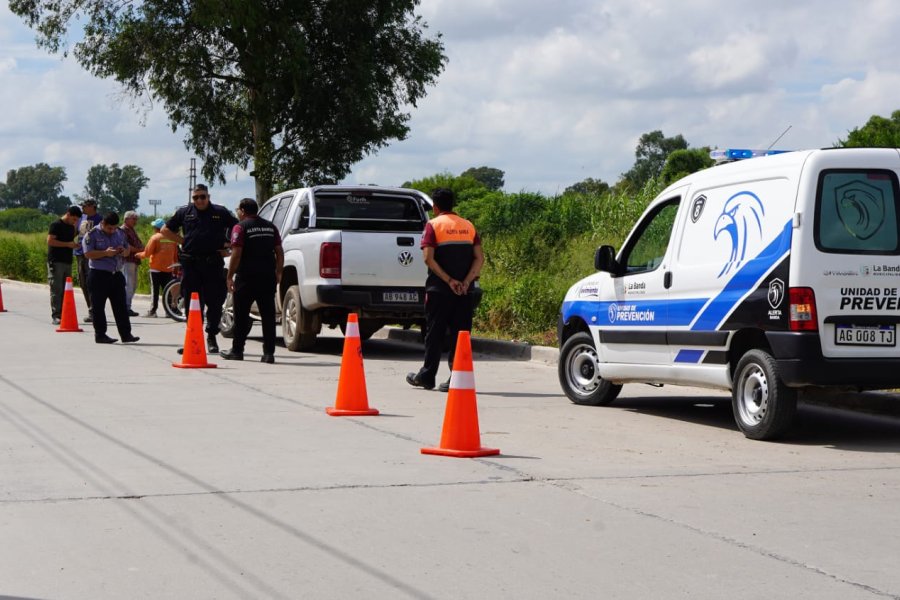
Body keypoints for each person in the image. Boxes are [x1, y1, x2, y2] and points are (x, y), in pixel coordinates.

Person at [406, 188, 484, 392]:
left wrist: (449, 280)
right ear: (453, 204)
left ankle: (427, 375)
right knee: (461, 334)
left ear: (435, 207)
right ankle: (455, 377)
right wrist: (466, 282)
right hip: (464, 291)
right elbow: (479, 258)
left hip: (439, 290)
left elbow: (428, 258)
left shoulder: (433, 225)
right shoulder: (468, 226)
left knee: (434, 333)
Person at [161, 184, 238, 354]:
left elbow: (237, 229)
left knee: (215, 301)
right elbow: (165, 230)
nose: (199, 200)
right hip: (191, 263)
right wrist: (183, 242)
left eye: (202, 196)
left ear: (208, 196)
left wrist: (230, 246)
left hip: (213, 262)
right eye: (195, 197)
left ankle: (211, 337)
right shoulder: (185, 212)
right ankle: (193, 339)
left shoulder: (220, 211)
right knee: (191, 303)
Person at [220, 198, 284, 363]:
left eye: (237, 210)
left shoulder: (240, 227)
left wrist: (229, 276)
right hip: (267, 277)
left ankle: (237, 350)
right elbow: (279, 251)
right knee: (268, 317)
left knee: (241, 316)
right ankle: (269, 354)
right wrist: (278, 272)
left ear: (242, 210)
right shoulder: (271, 227)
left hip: (246, 278)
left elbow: (236, 253)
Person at [82, 212, 140, 344]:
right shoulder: (91, 234)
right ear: (102, 223)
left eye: (114, 228)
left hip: (116, 274)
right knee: (98, 307)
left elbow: (127, 249)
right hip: (99, 274)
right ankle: (101, 335)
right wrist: (105, 253)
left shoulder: (119, 233)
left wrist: (123, 251)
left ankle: (126, 334)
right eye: (109, 228)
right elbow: (88, 254)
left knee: (121, 306)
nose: (112, 231)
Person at [47, 205, 83, 325]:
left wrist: (74, 244)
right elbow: (50, 241)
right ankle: (56, 315)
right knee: (56, 289)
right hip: (56, 261)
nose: (75, 222)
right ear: (68, 214)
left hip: (67, 261)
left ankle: (64, 313)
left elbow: (69, 241)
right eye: (74, 219)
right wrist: (67, 244)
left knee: (66, 290)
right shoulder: (56, 225)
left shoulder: (71, 227)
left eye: (77, 220)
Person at [136, 218, 178, 317]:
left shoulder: (155, 238)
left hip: (155, 268)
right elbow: (175, 255)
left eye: (154, 227)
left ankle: (152, 311)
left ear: (156, 228)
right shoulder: (172, 238)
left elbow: (147, 253)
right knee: (167, 291)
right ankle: (169, 311)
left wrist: (139, 255)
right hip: (168, 267)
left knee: (154, 291)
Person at [74, 199, 102, 323]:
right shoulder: (81, 218)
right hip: (80, 254)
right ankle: (91, 309)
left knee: (92, 284)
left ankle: (94, 311)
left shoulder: (100, 220)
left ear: (92, 207)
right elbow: (75, 232)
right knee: (83, 283)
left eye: (85, 206)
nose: (83, 208)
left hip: (92, 255)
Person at [120, 210, 144, 316]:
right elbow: (126, 246)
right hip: (127, 260)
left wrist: (141, 248)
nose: (135, 221)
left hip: (133, 260)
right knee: (128, 284)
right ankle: (125, 307)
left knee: (133, 285)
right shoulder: (123, 230)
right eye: (133, 219)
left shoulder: (131, 229)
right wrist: (139, 250)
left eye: (136, 219)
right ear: (126, 219)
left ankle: (127, 306)